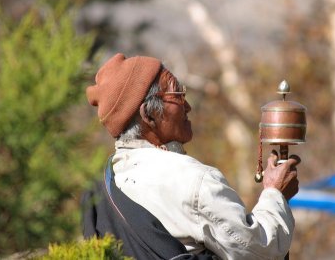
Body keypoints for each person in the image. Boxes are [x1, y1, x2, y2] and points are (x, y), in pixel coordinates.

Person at [83, 53, 300, 260]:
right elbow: (260, 251)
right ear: (148, 115)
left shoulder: (101, 185)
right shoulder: (192, 179)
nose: (188, 106)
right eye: (177, 95)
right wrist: (275, 194)